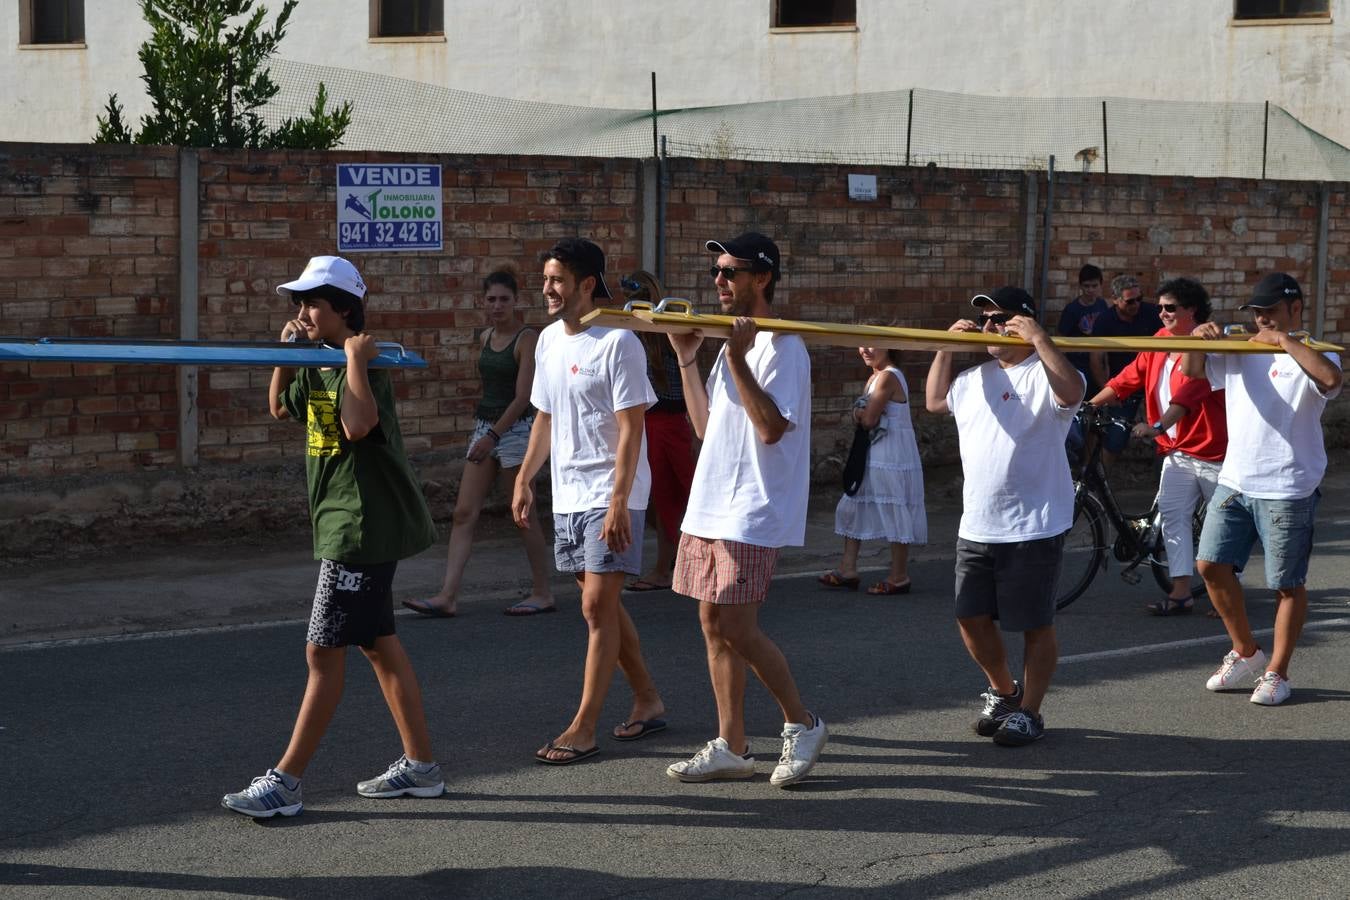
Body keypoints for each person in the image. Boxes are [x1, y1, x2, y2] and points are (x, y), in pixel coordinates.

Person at [222, 256, 443, 817]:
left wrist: (354, 362)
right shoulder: (315, 360)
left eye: (313, 303)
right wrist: (286, 356)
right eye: (299, 304)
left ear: (343, 308)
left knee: (323, 650)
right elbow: (279, 408)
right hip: (340, 520)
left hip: (361, 525)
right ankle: (421, 768)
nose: (303, 313)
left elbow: (358, 424)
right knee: (378, 645)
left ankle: (286, 783)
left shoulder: (366, 359)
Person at [666, 231, 827, 787]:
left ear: (762, 278)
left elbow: (771, 427)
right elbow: (710, 429)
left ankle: (801, 723)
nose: (719, 281)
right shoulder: (733, 343)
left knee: (738, 625)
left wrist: (735, 356)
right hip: (712, 500)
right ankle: (732, 744)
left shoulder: (783, 347)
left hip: (753, 507)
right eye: (717, 271)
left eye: (730, 272)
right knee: (712, 624)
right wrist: (690, 361)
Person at [511, 238, 667, 761]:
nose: (547, 289)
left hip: (611, 490)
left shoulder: (618, 342)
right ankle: (647, 698)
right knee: (598, 605)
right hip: (569, 492)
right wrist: (526, 477)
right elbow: (546, 418)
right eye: (546, 279)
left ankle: (584, 725)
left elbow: (631, 428)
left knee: (597, 606)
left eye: (556, 280)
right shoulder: (550, 341)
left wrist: (621, 498)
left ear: (585, 284)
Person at [925, 285, 1084, 747]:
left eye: (1002, 319)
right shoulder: (974, 378)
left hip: (1034, 523)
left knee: (1035, 623)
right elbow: (935, 401)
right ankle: (1004, 692)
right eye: (987, 319)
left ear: (1025, 322)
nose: (992, 327)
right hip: (978, 522)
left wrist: (1039, 339)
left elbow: (1073, 390)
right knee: (969, 616)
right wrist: (945, 349)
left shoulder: (1045, 372)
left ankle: (1030, 712)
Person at [1182, 273, 1342, 706]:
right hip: (1235, 479)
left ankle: (1277, 672)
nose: (1261, 320)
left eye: (1269, 312)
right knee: (1210, 565)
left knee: (1286, 583)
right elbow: (1193, 372)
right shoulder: (1240, 350)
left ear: (1294, 309)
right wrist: (1198, 338)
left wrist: (1284, 342)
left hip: (1288, 485)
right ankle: (1247, 652)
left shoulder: (1317, 351)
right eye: (1256, 313)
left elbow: (1331, 381)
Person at [404, 265, 555, 618]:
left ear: (516, 301)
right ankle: (448, 595)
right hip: (486, 426)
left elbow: (523, 398)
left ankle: (542, 592)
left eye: (504, 299)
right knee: (463, 512)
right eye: (491, 300)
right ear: (482, 302)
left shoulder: (527, 338)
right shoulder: (486, 337)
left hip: (515, 431)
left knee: (523, 514)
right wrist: (486, 432)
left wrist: (492, 436)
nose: (498, 305)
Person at [1087, 277, 1226, 616]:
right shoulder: (1160, 340)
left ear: (1191, 310)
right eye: (1160, 307)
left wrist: (1156, 426)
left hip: (1211, 450)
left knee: (1221, 525)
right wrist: (1092, 404)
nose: (1162, 314)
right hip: (1175, 449)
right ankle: (1181, 592)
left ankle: (1226, 594)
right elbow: (1129, 377)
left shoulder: (1206, 343)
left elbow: (1190, 394)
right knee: (1174, 519)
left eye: (1170, 308)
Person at [819, 343, 927, 594]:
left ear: (888, 346)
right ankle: (848, 569)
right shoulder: (875, 377)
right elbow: (868, 415)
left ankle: (899, 576)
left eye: (872, 344)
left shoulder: (888, 376)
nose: (865, 350)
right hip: (873, 451)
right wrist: (861, 411)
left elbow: (868, 419)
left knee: (893, 507)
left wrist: (858, 411)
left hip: (890, 453)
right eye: (861, 344)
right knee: (854, 502)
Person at [626, 332, 696, 592]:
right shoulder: (660, 337)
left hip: (661, 424)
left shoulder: (643, 339)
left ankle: (666, 567)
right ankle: (674, 559)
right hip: (662, 423)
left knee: (664, 497)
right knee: (666, 497)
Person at [1089, 275, 1165, 459]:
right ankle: (1105, 484)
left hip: (1152, 384)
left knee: (1164, 433)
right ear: (1115, 300)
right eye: (1130, 301)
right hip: (1123, 387)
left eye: (1139, 299)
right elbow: (1096, 359)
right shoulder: (1105, 320)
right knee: (1114, 439)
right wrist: (1108, 392)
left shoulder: (1152, 314)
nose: (1136, 305)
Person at [1057, 264, 1108, 392]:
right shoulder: (1072, 310)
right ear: (1080, 286)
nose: (1090, 290)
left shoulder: (1102, 305)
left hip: (1099, 362)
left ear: (1100, 285)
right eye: (1086, 286)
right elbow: (1061, 338)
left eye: (1094, 286)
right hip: (1078, 365)